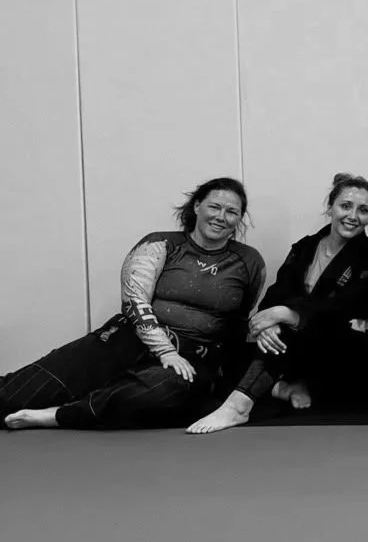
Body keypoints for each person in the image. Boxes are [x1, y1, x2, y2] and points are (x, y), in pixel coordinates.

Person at [4, 178, 265, 430]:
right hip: (124, 341)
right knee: (14, 396)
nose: (221, 217)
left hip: (190, 360)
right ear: (197, 206)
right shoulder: (160, 243)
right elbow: (133, 302)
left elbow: (238, 319)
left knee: (155, 392)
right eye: (214, 207)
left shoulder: (249, 262)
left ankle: (60, 415)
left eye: (232, 211)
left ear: (239, 218)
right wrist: (165, 351)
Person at [188, 174, 368, 434]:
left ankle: (237, 408)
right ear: (330, 207)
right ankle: (284, 388)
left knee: (288, 331)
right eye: (345, 206)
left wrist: (289, 314)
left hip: (342, 350)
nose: (353, 215)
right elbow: (276, 294)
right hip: (298, 347)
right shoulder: (306, 247)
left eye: (363, 210)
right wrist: (267, 324)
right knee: (236, 346)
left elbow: (349, 306)